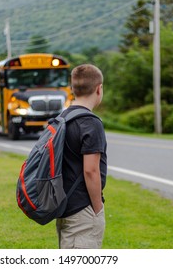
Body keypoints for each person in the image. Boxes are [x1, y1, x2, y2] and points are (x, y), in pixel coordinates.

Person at [56, 64, 107, 249]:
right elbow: (91, 170)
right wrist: (97, 208)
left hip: (64, 205)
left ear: (72, 89)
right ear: (99, 89)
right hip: (83, 209)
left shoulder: (62, 118)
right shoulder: (91, 123)